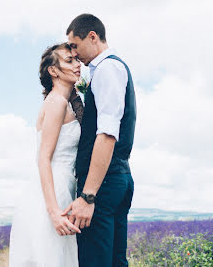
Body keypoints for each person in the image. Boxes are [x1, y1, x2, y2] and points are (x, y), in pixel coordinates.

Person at [62, 14, 136, 267]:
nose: (73, 52)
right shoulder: (110, 69)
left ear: (92, 36)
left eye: (74, 45)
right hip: (118, 177)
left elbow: (106, 134)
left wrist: (88, 195)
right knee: (114, 261)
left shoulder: (106, 69)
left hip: (103, 184)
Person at [9, 43, 83, 266]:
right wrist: (54, 211)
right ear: (53, 71)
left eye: (76, 60)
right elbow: (43, 158)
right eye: (69, 61)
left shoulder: (64, 102)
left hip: (60, 187)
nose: (77, 65)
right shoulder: (57, 103)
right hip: (54, 191)